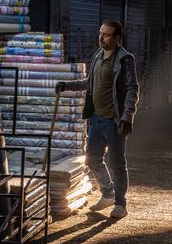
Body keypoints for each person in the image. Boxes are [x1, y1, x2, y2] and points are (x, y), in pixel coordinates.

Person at [56, 19, 139, 219]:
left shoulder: (125, 59)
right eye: (101, 33)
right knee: (92, 159)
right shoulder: (98, 55)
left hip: (114, 121)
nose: (101, 37)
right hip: (96, 119)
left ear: (117, 38)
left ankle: (121, 204)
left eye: (107, 34)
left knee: (117, 164)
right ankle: (108, 193)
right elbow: (90, 83)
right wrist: (67, 86)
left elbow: (131, 89)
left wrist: (127, 116)